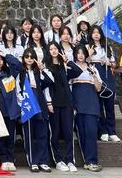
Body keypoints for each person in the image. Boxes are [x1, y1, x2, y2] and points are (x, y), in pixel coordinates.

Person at [45, 42, 81, 172]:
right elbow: (45, 86)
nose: (54, 51)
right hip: (54, 105)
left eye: (56, 48)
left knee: (68, 133)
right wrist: (48, 103)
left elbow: (78, 71)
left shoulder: (64, 66)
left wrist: (68, 61)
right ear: (48, 52)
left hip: (67, 104)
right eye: (51, 49)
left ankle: (70, 160)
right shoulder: (46, 67)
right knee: (54, 133)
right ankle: (58, 160)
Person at [17, 47, 54, 173]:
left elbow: (50, 81)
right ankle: (33, 162)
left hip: (40, 104)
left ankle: (43, 161)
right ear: (23, 58)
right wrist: (21, 102)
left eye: (31, 57)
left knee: (42, 134)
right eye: (26, 56)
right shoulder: (20, 72)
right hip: (27, 105)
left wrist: (42, 68)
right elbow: (17, 89)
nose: (29, 59)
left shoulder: (39, 72)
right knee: (29, 135)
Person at [70, 45, 103, 172]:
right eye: (78, 53)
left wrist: (94, 75)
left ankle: (92, 161)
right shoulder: (71, 68)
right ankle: (87, 161)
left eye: (83, 53)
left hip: (91, 104)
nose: (80, 55)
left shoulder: (93, 68)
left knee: (91, 132)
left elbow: (98, 88)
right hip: (77, 104)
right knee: (82, 134)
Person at [0, 51, 21, 172]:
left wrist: (5, 55)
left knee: (10, 136)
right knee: (0, 136)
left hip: (10, 109)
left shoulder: (10, 73)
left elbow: (18, 65)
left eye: (1, 59)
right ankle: (3, 160)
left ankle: (11, 160)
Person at [89, 25, 120, 142]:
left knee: (109, 105)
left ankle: (112, 131)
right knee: (99, 104)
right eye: (94, 33)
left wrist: (109, 62)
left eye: (98, 32)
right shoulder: (88, 47)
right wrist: (89, 54)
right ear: (91, 34)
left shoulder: (107, 47)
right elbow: (84, 62)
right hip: (96, 77)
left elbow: (114, 64)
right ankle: (103, 131)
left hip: (107, 75)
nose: (96, 34)